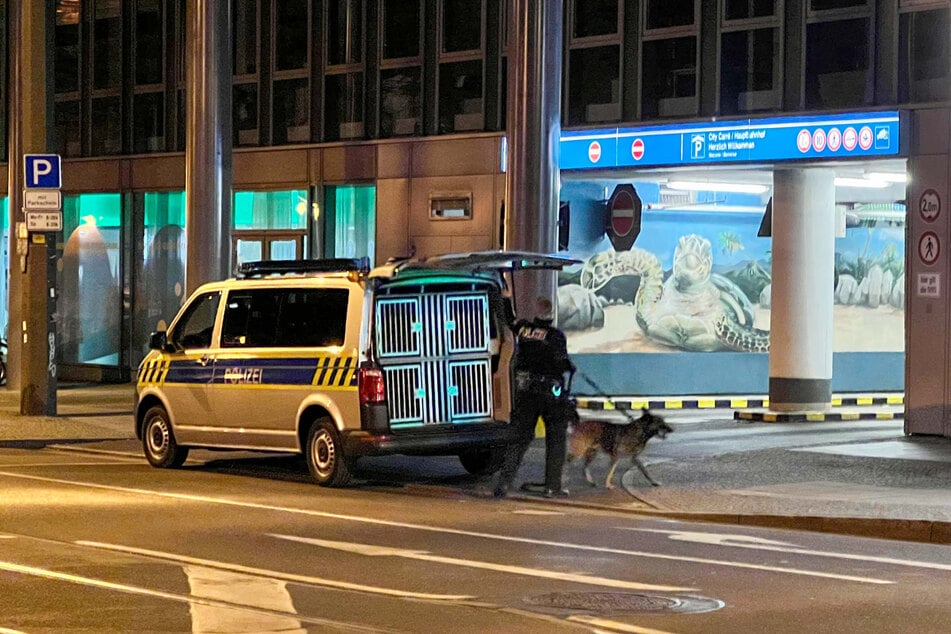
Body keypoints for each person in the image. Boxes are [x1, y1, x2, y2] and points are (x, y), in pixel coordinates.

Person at [494, 295, 576, 499]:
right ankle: (552, 486)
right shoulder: (556, 336)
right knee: (556, 439)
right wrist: (568, 365)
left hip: (526, 392)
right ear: (551, 316)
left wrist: (504, 298)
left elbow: (509, 320)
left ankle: (504, 483)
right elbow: (561, 363)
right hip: (550, 393)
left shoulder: (523, 330)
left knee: (519, 439)